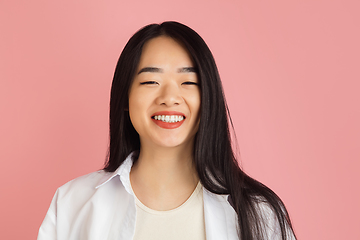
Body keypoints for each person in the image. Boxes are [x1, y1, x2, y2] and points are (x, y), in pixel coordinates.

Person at [37, 21, 296, 240]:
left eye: (188, 82)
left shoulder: (260, 211)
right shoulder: (72, 203)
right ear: (125, 98)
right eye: (151, 81)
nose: (170, 97)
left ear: (209, 97)